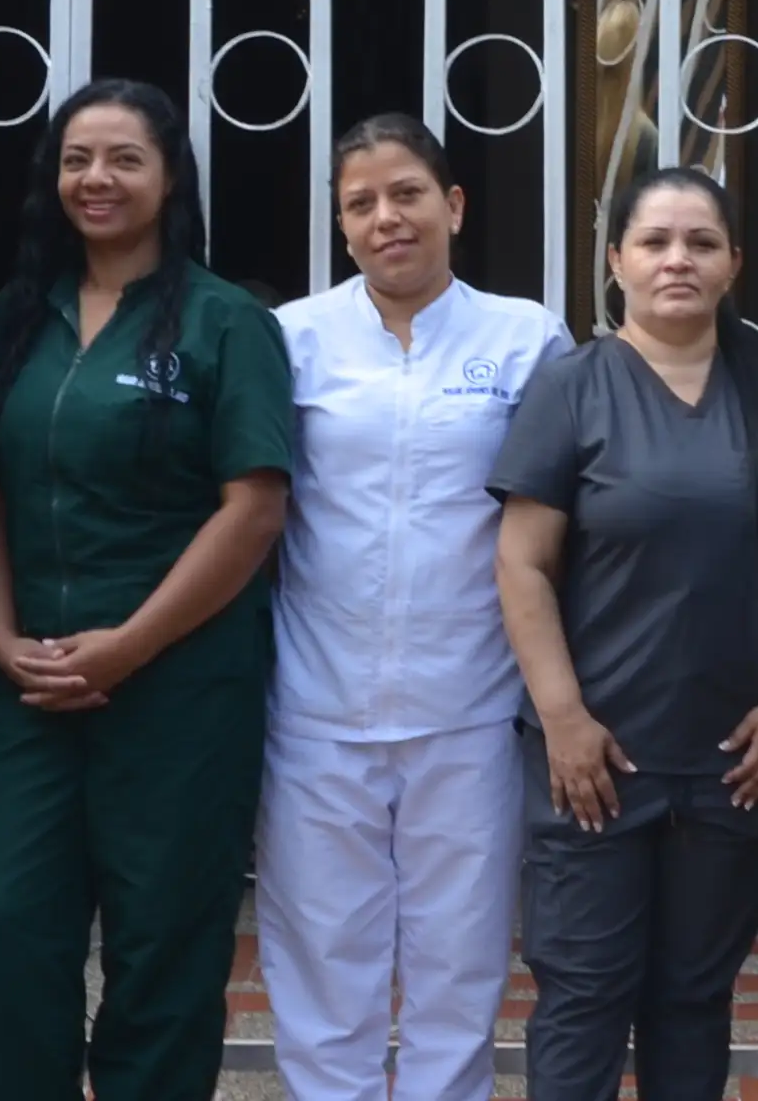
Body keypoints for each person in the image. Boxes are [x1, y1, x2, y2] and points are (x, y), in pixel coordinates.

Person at [0, 82, 297, 1101]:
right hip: (35, 687)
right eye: (75, 160)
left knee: (164, 950)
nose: (94, 180)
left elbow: (251, 512)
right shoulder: (20, 315)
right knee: (6, 931)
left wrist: (130, 645)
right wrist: (1, 632)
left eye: (122, 159)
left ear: (168, 178)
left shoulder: (224, 321)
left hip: (179, 688)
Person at [492, 165, 758, 1101]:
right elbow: (521, 564)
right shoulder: (574, 390)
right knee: (584, 995)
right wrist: (562, 717)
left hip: (736, 762)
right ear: (617, 262)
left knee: (693, 998)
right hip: (597, 762)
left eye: (700, 243)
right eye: (654, 242)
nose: (677, 260)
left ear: (735, 264)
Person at [260, 118, 572, 1101]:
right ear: (340, 226)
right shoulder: (293, 339)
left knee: (458, 973)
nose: (386, 217)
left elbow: (563, 520)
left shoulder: (525, 338)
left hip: (469, 710)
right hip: (315, 710)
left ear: (454, 206)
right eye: (360, 203)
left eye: (406, 194)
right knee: (320, 974)